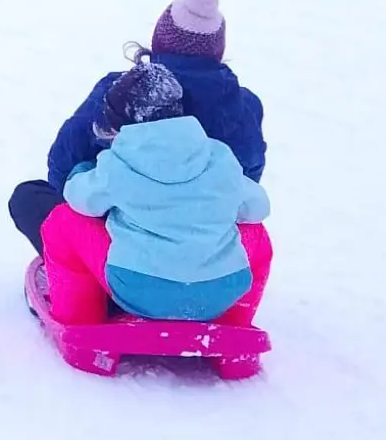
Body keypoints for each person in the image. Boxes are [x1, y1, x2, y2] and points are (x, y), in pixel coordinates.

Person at [9, 0, 266, 256]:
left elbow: (65, 161)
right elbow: (249, 181)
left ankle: (83, 273)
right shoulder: (244, 107)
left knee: (32, 196)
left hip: (125, 248)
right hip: (208, 249)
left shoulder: (120, 94)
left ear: (160, 39)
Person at [41, 60, 273, 326]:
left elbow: (82, 200)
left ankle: (81, 321)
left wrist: (82, 172)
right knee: (257, 233)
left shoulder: (118, 162)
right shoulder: (219, 156)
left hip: (138, 290)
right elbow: (258, 207)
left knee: (62, 222)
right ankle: (234, 325)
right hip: (221, 291)